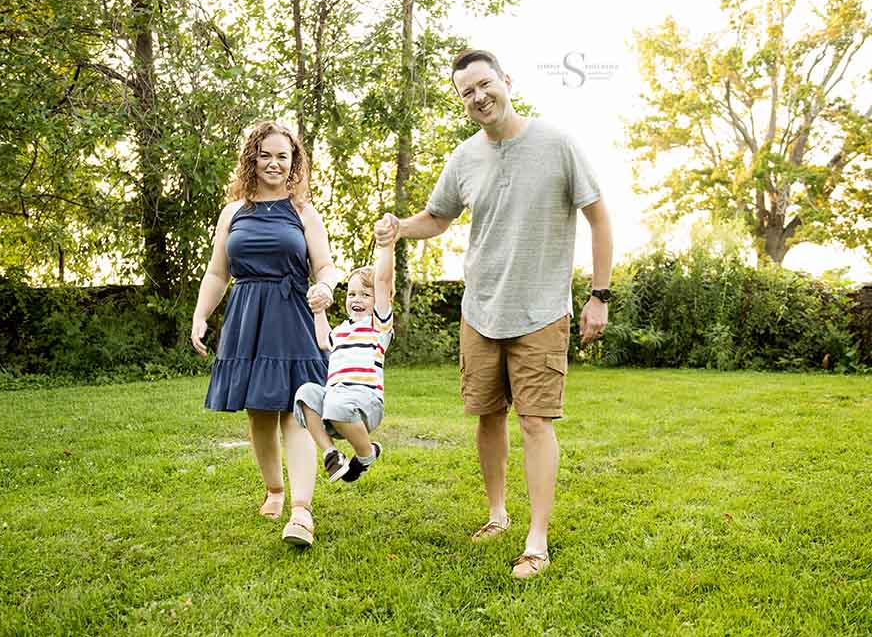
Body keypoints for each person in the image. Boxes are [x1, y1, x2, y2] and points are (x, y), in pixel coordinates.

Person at [374, 49, 613, 579]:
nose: (479, 97)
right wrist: (399, 227)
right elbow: (437, 217)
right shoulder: (464, 158)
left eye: (486, 84)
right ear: (462, 101)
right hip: (480, 310)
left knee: (535, 421)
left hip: (541, 310)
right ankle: (498, 514)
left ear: (507, 80)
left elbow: (599, 218)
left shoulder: (557, 143)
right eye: (468, 92)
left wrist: (599, 295)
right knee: (487, 416)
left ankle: (537, 540)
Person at [191, 121, 339, 548]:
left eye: (283, 156)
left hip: (293, 317)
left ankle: (301, 510)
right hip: (247, 317)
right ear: (252, 159)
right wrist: (201, 315)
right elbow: (217, 272)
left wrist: (326, 287)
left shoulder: (303, 212)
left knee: (298, 411)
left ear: (294, 163)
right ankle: (274, 490)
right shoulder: (233, 212)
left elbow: (325, 266)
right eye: (266, 155)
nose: (274, 163)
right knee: (259, 412)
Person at [292, 224, 395, 484]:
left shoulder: (378, 326)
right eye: (351, 294)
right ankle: (331, 454)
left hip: (365, 402)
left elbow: (383, 281)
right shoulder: (342, 330)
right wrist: (318, 310)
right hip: (336, 401)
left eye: (365, 294)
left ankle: (366, 454)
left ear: (380, 300)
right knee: (305, 393)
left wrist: (386, 246)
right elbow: (323, 341)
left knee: (336, 403)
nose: (356, 299)